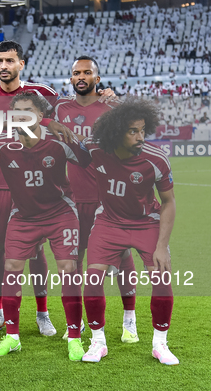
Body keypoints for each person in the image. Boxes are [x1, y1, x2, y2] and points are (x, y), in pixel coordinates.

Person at [0, 92, 89, 361]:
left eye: (27, 111)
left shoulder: (58, 142)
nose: (21, 116)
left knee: (69, 269)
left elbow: (86, 160)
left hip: (60, 214)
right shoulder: (4, 146)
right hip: (23, 216)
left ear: (40, 116)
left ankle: (75, 337)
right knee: (11, 268)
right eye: (16, 111)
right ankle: (12, 337)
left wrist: (68, 134)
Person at [0, 40, 60, 336]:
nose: (3, 66)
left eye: (9, 61)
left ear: (21, 64)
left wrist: (105, 91)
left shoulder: (43, 94)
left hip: (34, 186)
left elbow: (65, 117)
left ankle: (42, 313)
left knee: (36, 251)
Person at [81, 99, 178, 366]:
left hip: (146, 222)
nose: (140, 137)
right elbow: (66, 142)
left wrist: (162, 246)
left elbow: (169, 202)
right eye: (133, 131)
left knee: (161, 277)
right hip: (109, 222)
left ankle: (160, 344)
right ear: (115, 132)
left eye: (143, 130)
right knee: (92, 279)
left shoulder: (155, 158)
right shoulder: (95, 149)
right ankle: (97, 341)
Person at [53, 56, 139, 342]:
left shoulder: (111, 108)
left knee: (121, 258)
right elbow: (32, 114)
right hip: (72, 200)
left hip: (109, 199)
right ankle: (74, 324)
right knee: (72, 263)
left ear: (97, 79)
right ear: (70, 78)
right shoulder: (61, 108)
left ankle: (130, 319)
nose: (81, 76)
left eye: (87, 72)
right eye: (76, 72)